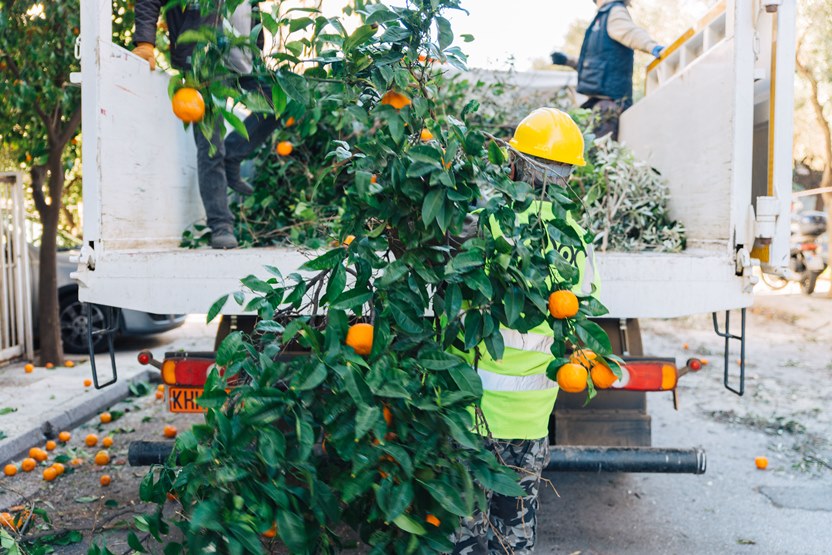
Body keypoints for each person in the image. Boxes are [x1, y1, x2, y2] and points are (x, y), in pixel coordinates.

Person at [452, 108, 597, 555]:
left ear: (514, 165)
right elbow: (579, 319)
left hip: (471, 414)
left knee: (461, 532)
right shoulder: (576, 240)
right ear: (569, 176)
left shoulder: (486, 224)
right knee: (513, 533)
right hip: (531, 419)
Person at [132, 1, 279, 249]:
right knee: (211, 144)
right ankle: (221, 225)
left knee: (278, 103)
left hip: (244, 62)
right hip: (200, 63)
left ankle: (233, 156)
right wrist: (145, 41)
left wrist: (258, 51)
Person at [551, 0, 664, 140]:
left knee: (599, 146)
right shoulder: (601, 16)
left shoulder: (614, 11)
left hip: (611, 100)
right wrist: (568, 61)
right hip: (596, 99)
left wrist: (651, 46)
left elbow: (630, 32)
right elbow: (594, 62)